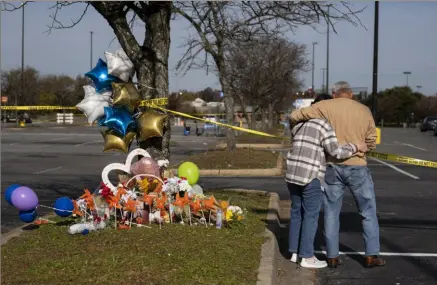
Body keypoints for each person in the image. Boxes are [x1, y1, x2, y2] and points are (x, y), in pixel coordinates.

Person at [290, 81, 386, 269]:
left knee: (332, 212)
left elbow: (295, 115)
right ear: (351, 94)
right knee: (368, 212)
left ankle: (332, 256)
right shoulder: (364, 110)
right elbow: (372, 141)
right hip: (358, 166)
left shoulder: (325, 106)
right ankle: (370, 255)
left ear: (334, 93)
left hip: (332, 166)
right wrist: (360, 146)